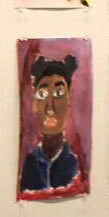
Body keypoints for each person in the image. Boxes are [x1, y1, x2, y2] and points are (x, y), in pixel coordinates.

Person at [19, 54, 85, 195]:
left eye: (58, 93)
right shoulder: (28, 165)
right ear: (35, 104)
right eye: (42, 95)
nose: (50, 108)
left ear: (69, 100)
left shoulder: (76, 166)